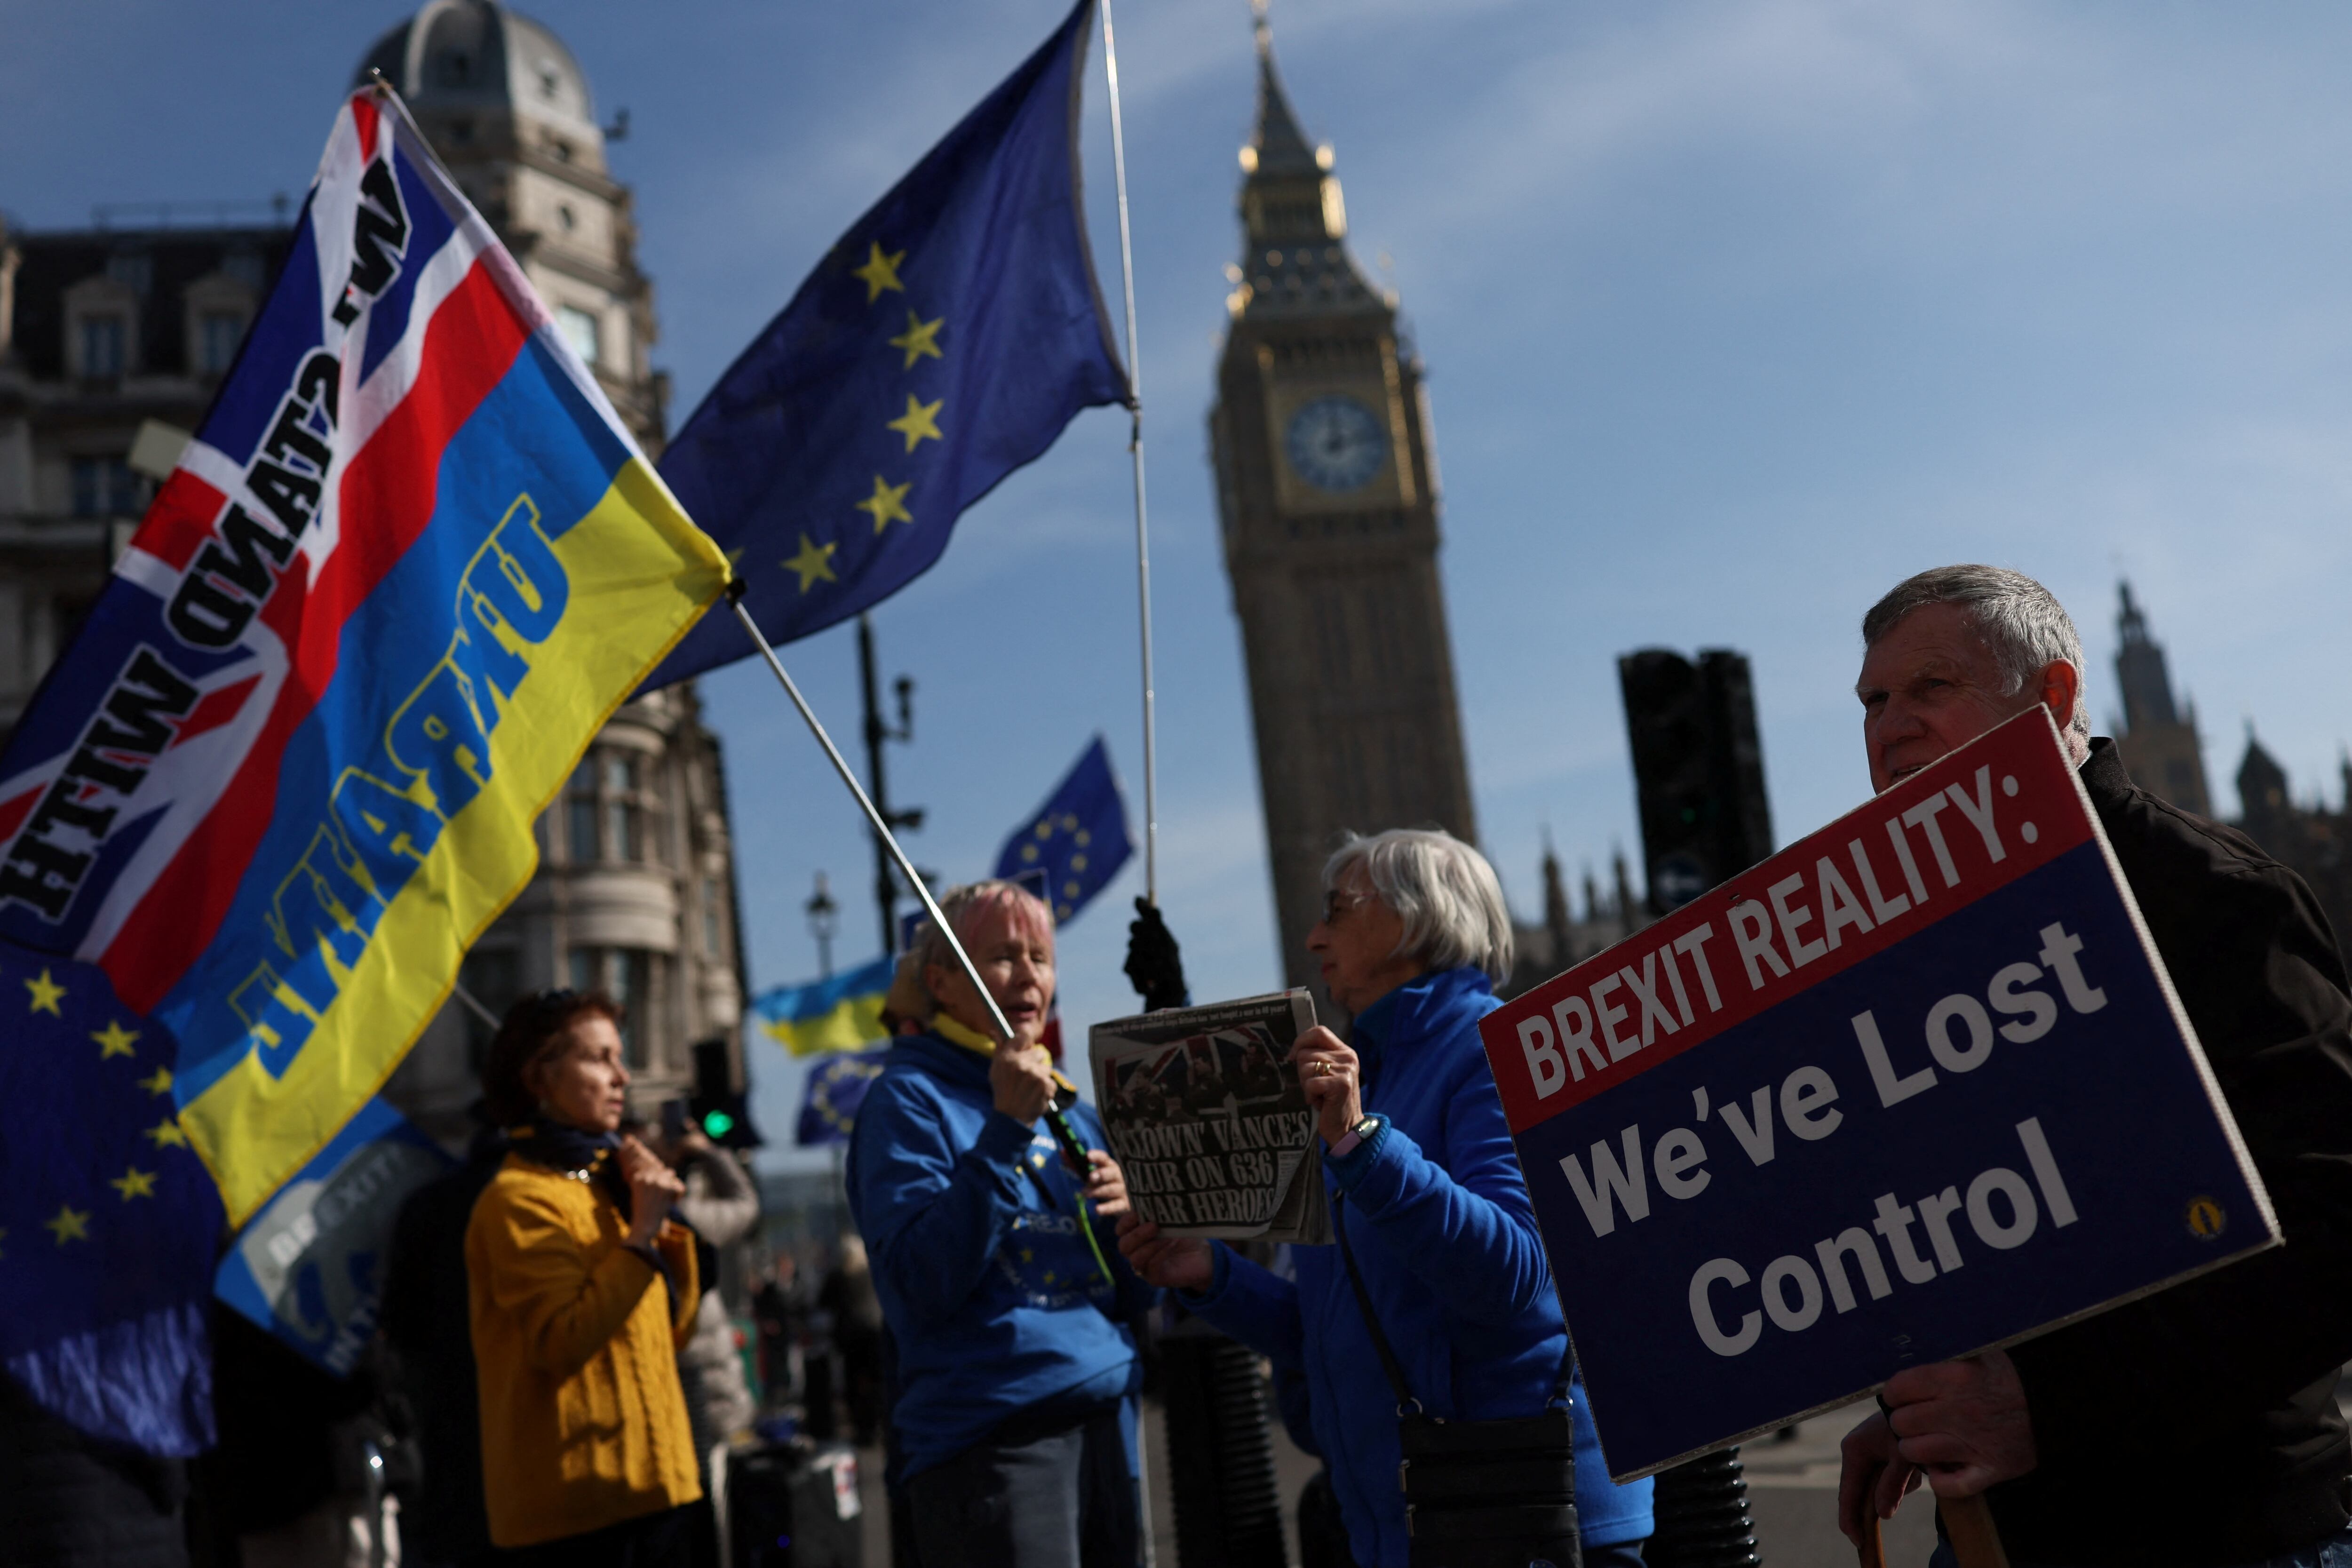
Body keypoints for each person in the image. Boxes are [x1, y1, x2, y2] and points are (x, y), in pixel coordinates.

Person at [1835, 565, 2352, 1567]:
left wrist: (2045, 1405)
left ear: (2055, 697)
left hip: (2220, 1528)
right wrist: (1919, 1408)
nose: (1887, 724)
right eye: (1872, 700)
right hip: (2000, 1528)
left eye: (1930, 688)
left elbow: (2337, 1222)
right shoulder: (1922, 945)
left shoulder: (2205, 893)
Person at [1119, 828, 1655, 1568]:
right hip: (1407, 1523)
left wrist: (1363, 1145)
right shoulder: (1360, 1079)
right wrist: (1212, 1275)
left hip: (1524, 1519)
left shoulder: (1493, 1049)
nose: (1313, 936)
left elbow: (1516, 1276)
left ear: (1415, 918)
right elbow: (1339, 1326)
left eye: (1338, 909)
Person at [846, 879, 1156, 1568]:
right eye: (1003, 956)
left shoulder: (1073, 1109)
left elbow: (1137, 1299)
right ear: (942, 982)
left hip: (1107, 1422)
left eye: (1040, 957)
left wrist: (1133, 1225)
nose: (1028, 976)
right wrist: (1006, 1133)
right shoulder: (906, 1102)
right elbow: (921, 1284)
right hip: (994, 1442)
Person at [465, 989, 702, 1568]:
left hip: (659, 1486)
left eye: (619, 1058)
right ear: (539, 1079)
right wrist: (642, 1235)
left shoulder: (604, 1184)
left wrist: (658, 1224)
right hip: (578, 1516)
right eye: (599, 1059)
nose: (622, 1077)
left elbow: (672, 1332)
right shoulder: (519, 1200)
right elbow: (560, 1339)